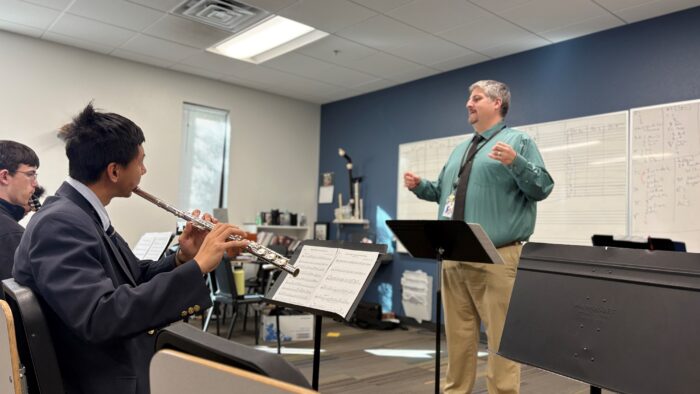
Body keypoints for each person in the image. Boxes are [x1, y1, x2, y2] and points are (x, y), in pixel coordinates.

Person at [13, 103, 248, 394]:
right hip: (97, 380)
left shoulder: (81, 213)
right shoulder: (62, 222)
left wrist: (183, 257)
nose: (144, 169)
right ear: (114, 171)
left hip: (110, 363)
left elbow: (132, 275)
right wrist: (200, 267)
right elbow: (100, 316)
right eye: (140, 161)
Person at [404, 80, 554, 394]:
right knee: (458, 336)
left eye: (476, 98)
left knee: (501, 339)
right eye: (469, 98)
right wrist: (421, 186)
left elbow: (542, 187)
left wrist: (516, 162)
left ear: (497, 102)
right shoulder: (461, 149)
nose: (468, 104)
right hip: (454, 254)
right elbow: (444, 194)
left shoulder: (518, 141)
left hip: (497, 255)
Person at [0, 140, 39, 282]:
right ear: (4, 176)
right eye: (31, 174)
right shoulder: (10, 234)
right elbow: (18, 301)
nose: (35, 183)